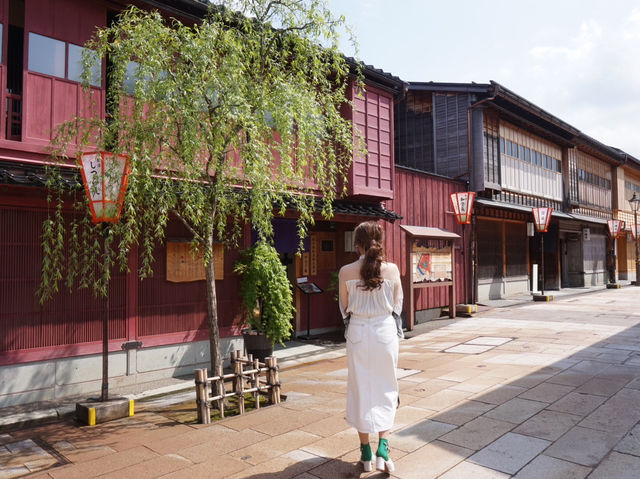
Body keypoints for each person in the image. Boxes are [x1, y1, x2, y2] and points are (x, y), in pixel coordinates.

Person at [338, 221, 403, 473]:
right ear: (380, 241)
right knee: (387, 386)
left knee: (359, 388)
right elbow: (397, 305)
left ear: (357, 244)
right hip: (385, 332)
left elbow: (344, 307)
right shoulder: (393, 270)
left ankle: (365, 452)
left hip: (358, 331)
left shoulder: (345, 271)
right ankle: (382, 448)